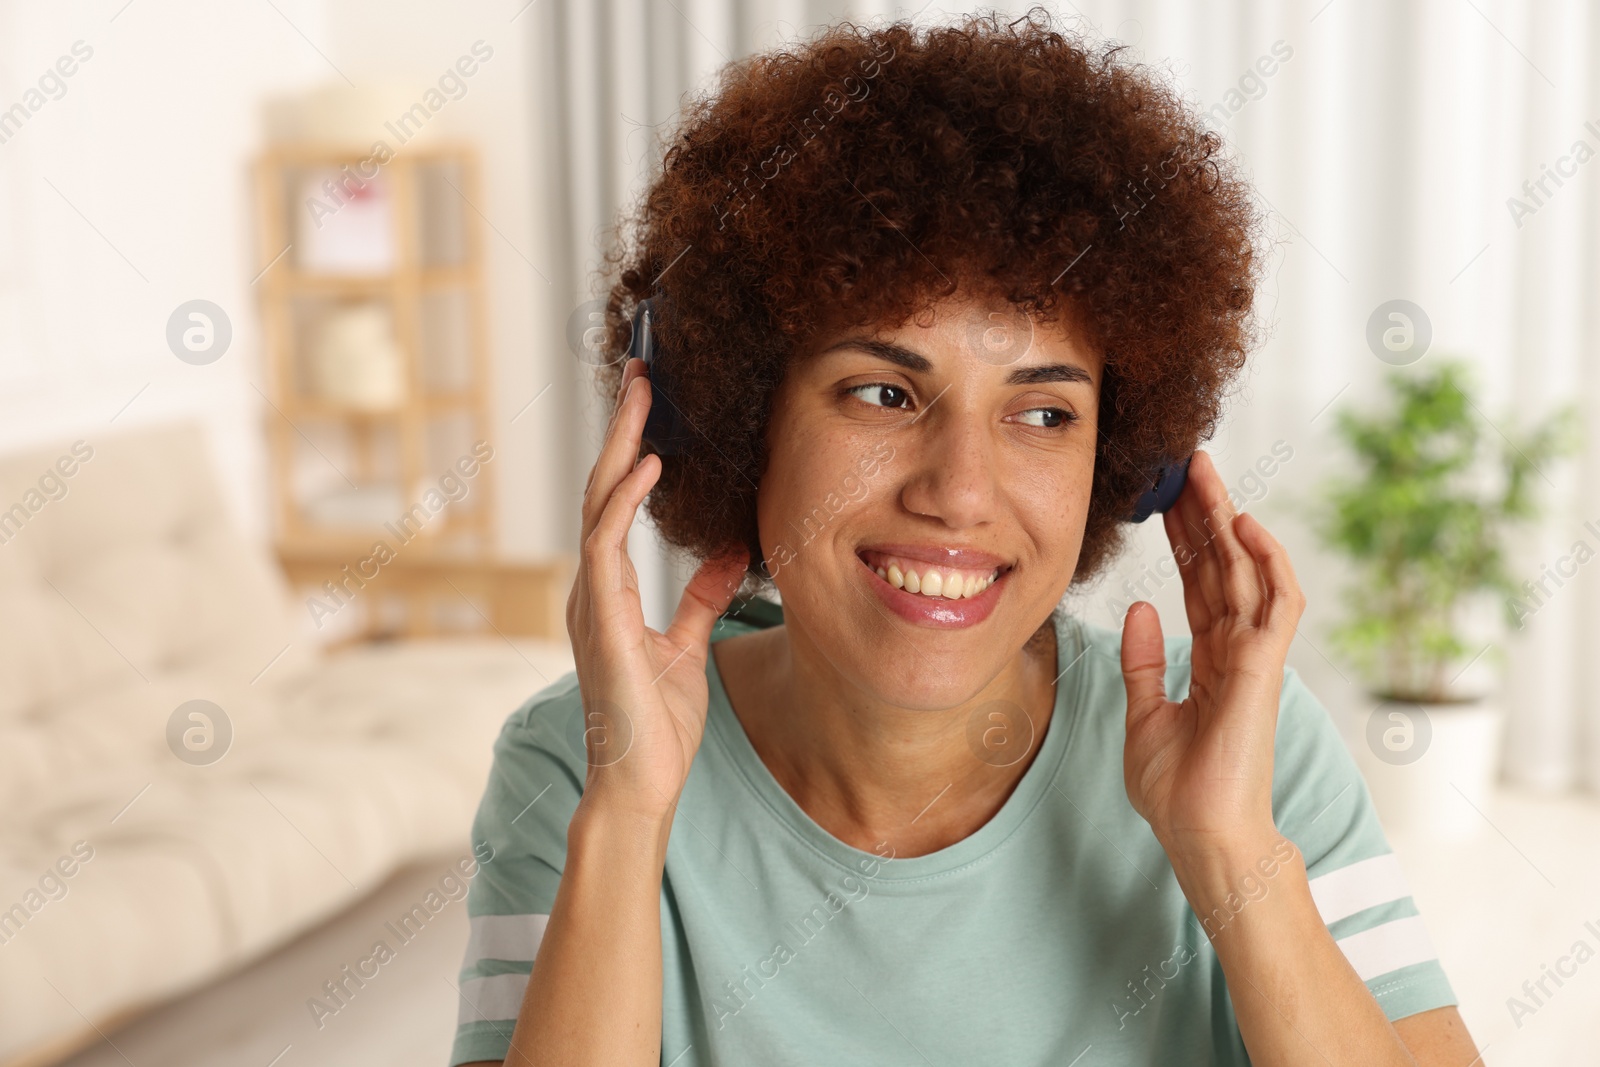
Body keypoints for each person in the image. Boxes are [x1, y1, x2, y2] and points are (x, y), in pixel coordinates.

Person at [452, 11, 1480, 1065]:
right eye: (883, 391)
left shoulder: (1245, 746)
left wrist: (1229, 851)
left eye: (1041, 413)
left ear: (1123, 465)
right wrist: (625, 820)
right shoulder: (577, 761)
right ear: (732, 416)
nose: (960, 490)